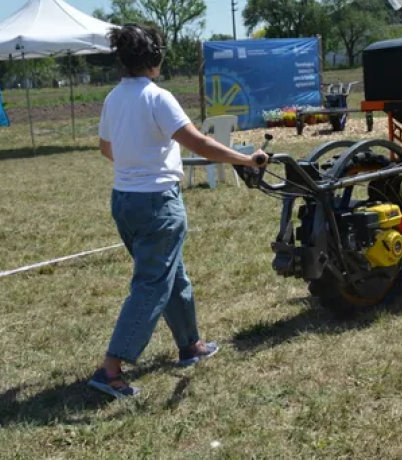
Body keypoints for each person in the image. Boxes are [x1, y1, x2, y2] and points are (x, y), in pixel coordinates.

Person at [88, 23, 268, 398]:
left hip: (124, 199)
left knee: (172, 274)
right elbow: (200, 143)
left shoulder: (113, 99)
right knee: (152, 284)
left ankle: (191, 345)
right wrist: (246, 160)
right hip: (157, 203)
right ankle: (110, 369)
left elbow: (107, 149)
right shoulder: (158, 97)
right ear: (155, 58)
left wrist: (138, 157)